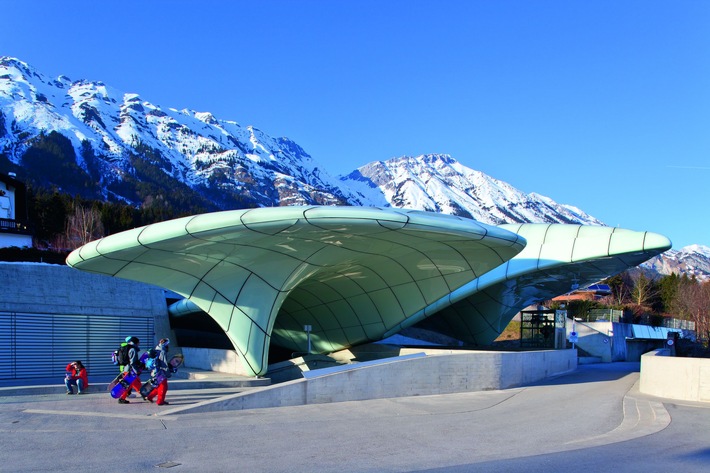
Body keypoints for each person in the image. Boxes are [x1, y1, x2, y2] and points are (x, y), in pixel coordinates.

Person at [143, 338, 174, 406]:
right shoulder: (162, 351)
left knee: (159, 386)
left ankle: (149, 397)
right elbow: (164, 364)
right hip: (160, 372)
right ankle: (160, 401)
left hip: (155, 371)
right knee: (163, 387)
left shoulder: (157, 348)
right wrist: (168, 373)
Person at [117, 337, 142, 405]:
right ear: (135, 342)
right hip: (131, 371)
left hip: (126, 369)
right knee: (134, 384)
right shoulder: (133, 349)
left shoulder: (127, 348)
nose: (139, 344)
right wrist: (136, 371)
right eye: (138, 342)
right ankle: (146, 395)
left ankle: (145, 395)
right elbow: (133, 362)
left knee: (130, 385)